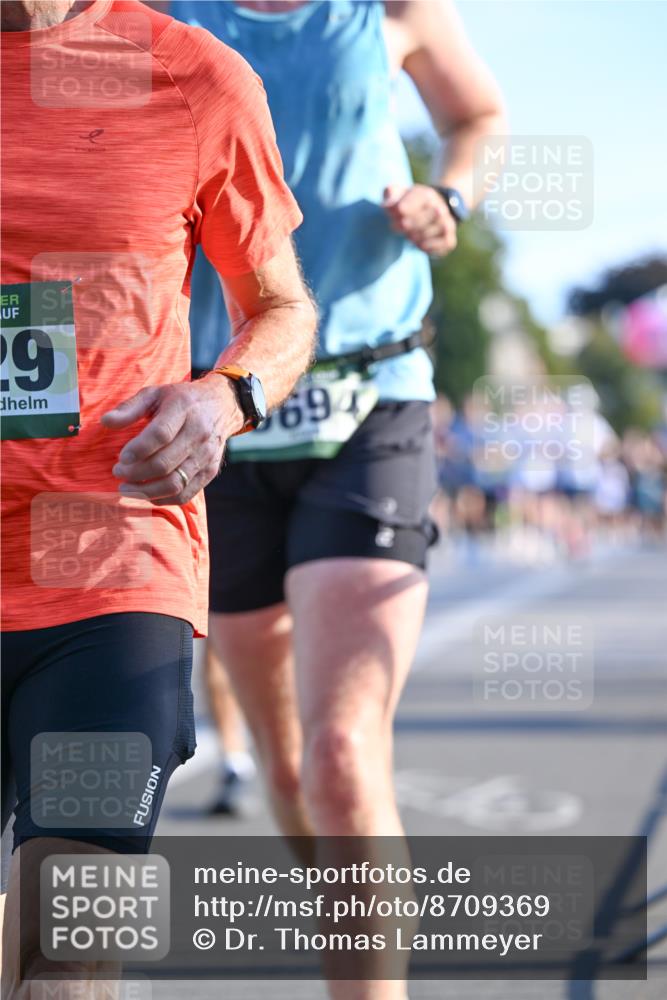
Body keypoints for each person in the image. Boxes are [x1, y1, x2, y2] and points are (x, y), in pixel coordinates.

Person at [173, 1, 505, 997]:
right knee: (286, 770)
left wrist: (448, 195)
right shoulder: (153, 13)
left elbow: (476, 114)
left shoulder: (390, 8)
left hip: (371, 394)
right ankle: (351, 945)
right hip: (221, 407)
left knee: (343, 756)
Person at [0, 0, 315, 993]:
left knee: (70, 941)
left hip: (114, 566)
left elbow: (281, 309)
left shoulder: (194, 76)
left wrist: (227, 397)